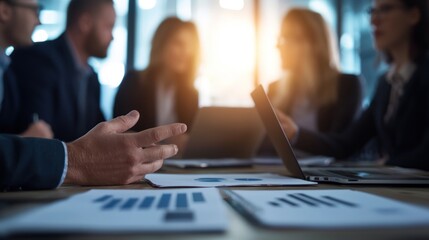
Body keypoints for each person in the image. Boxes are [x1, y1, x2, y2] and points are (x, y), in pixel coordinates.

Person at [278, 0, 429, 171]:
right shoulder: (385, 83)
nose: (374, 21)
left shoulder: (422, 75)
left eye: (385, 9)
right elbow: (346, 144)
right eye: (372, 11)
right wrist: (295, 134)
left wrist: (385, 165)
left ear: (414, 15)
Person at [0, 110, 187, 191]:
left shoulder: (90, 77)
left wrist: (115, 143)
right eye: (108, 26)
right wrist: (77, 159)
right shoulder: (33, 60)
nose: (37, 24)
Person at [10, 0, 114, 142]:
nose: (112, 37)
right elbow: (41, 137)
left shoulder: (91, 78)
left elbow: (101, 134)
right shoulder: (39, 59)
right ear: (85, 23)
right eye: (109, 27)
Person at [269, 8, 362, 145]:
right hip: (282, 167)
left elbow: (343, 144)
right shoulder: (275, 89)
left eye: (286, 38)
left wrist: (297, 134)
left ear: (313, 44)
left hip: (327, 166)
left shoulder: (347, 85)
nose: (278, 46)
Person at [114, 17, 200, 131]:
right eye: (179, 44)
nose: (186, 52)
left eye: (190, 46)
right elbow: (119, 131)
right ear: (161, 44)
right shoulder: (133, 82)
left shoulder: (191, 94)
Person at [0, 0, 52, 138]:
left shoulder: (7, 73)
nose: (38, 22)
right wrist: (26, 141)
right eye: (34, 11)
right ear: (4, 11)